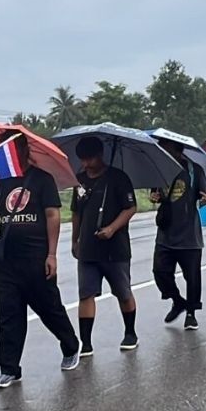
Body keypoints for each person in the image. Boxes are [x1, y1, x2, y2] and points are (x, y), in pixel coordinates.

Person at [0, 131, 80, 389]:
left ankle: (71, 346)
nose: (6, 152)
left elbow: (52, 216)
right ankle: (9, 369)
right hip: (6, 262)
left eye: (11, 147)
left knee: (50, 309)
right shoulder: (1, 181)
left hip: (36, 259)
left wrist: (51, 254)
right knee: (8, 315)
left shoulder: (42, 179)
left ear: (24, 150)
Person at [70, 136, 139, 353]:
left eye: (89, 159)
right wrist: (75, 239)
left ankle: (130, 332)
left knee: (123, 292)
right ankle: (86, 342)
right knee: (86, 294)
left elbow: (130, 208)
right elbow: (75, 213)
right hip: (88, 248)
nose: (85, 164)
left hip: (115, 248)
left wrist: (111, 228)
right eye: (82, 160)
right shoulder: (79, 181)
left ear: (99, 155)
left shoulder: (118, 178)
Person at [149, 136, 206, 331]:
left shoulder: (194, 170)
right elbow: (156, 194)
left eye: (166, 150)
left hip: (189, 236)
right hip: (165, 233)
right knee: (160, 272)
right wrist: (154, 197)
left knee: (192, 277)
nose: (163, 154)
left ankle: (191, 313)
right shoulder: (159, 170)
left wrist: (204, 199)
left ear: (177, 151)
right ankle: (178, 301)